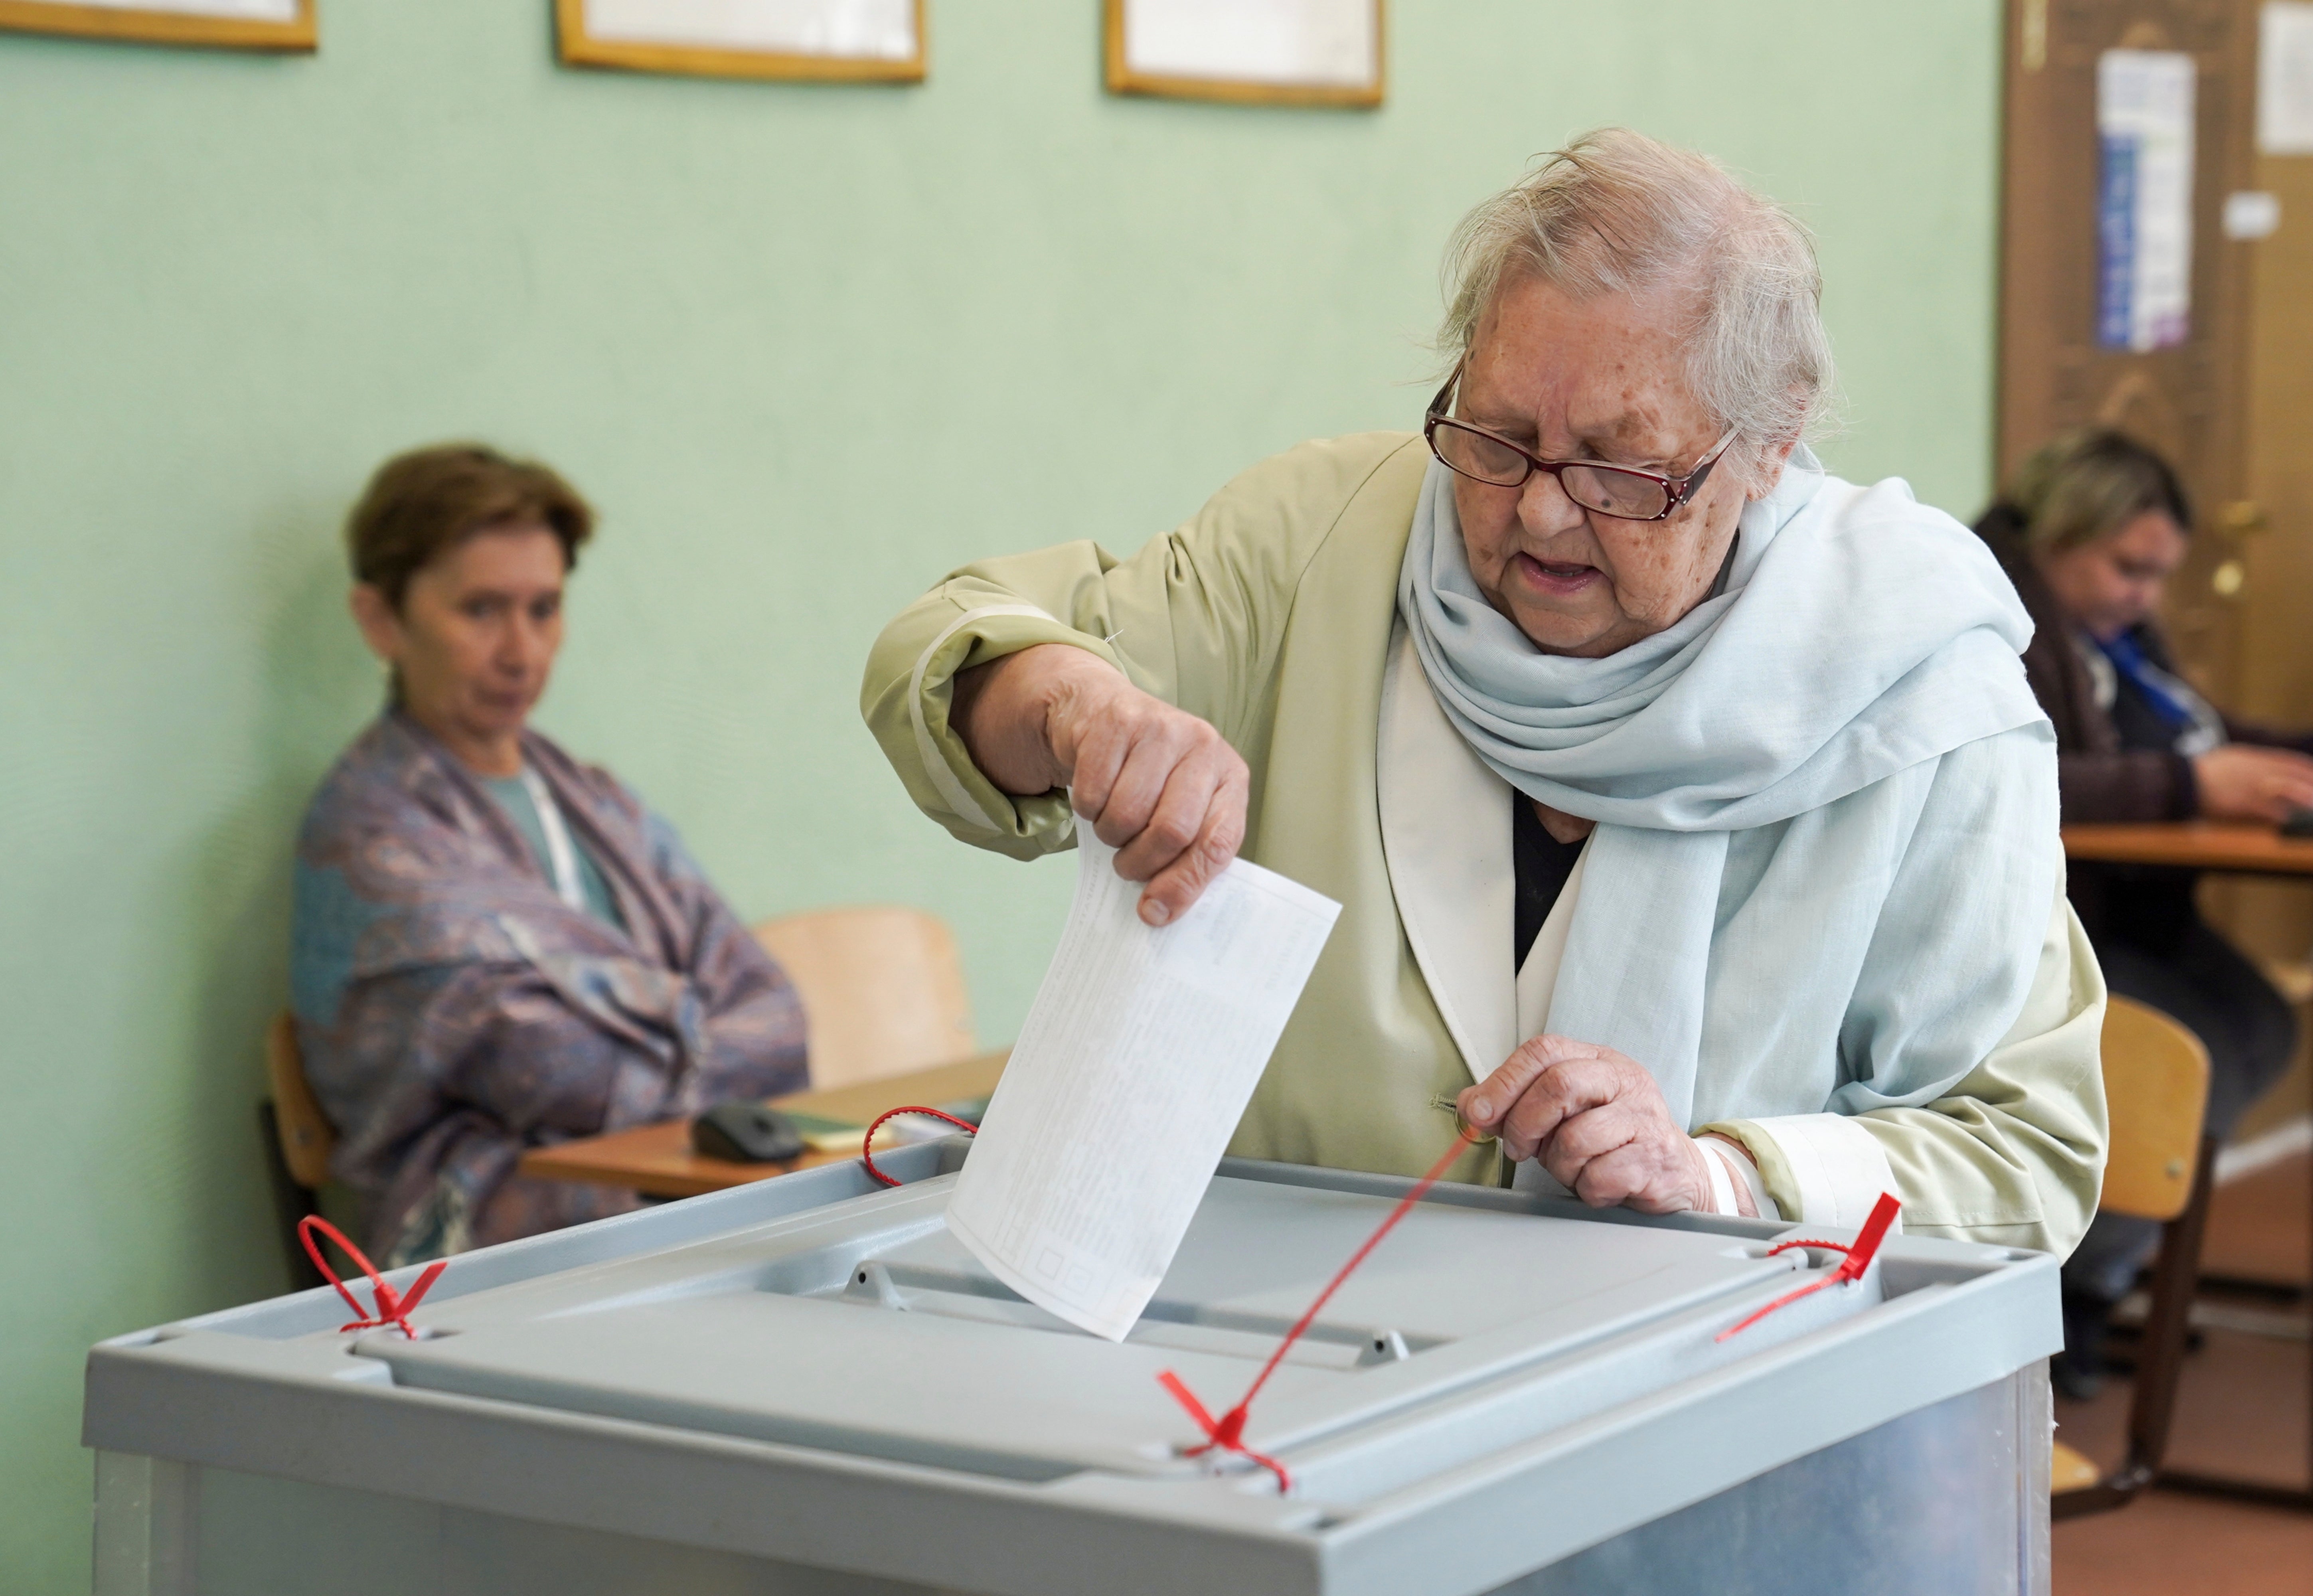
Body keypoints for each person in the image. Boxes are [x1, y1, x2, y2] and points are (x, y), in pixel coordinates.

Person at [862, 129, 2106, 1254]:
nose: (1545, 509)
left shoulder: (1926, 687)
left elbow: (2024, 1156)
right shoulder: (1323, 541)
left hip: (1722, 1417)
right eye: (1499, 437)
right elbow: (950, 652)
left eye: (1622, 466)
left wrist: (1723, 1174)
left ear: (1767, 446)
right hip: (1281, 1362)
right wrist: (1077, 706)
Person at [292, 444, 808, 1266]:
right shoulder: (367, 832)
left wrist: (651, 1038)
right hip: (483, 1244)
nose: (521, 651)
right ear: (382, 620)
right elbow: (553, 1061)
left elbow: (778, 1017)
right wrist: (699, 1035)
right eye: (482, 609)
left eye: (543, 608)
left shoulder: (597, 803)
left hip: (666, 1188)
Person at [1973, 428, 2313, 1393]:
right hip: (2053, 927)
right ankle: (2072, 1291)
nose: (2146, 595)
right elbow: (2022, 775)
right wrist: (2189, 786)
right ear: (2067, 530)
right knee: (2191, 1046)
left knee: (2255, 1022)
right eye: (2130, 567)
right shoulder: (1994, 610)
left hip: (2138, 912)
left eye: (2159, 574)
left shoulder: (2113, 631)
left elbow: (2202, 733)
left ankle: (2108, 1270)